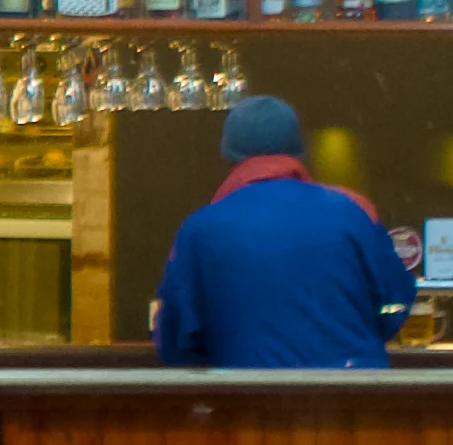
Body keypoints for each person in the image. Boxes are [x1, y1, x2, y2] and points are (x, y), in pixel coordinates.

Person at [151, 94, 411, 369]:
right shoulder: (353, 212)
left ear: (228, 156)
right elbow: (397, 299)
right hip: (354, 398)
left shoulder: (200, 229)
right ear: (298, 150)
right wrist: (355, 344)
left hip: (250, 401)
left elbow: (174, 338)